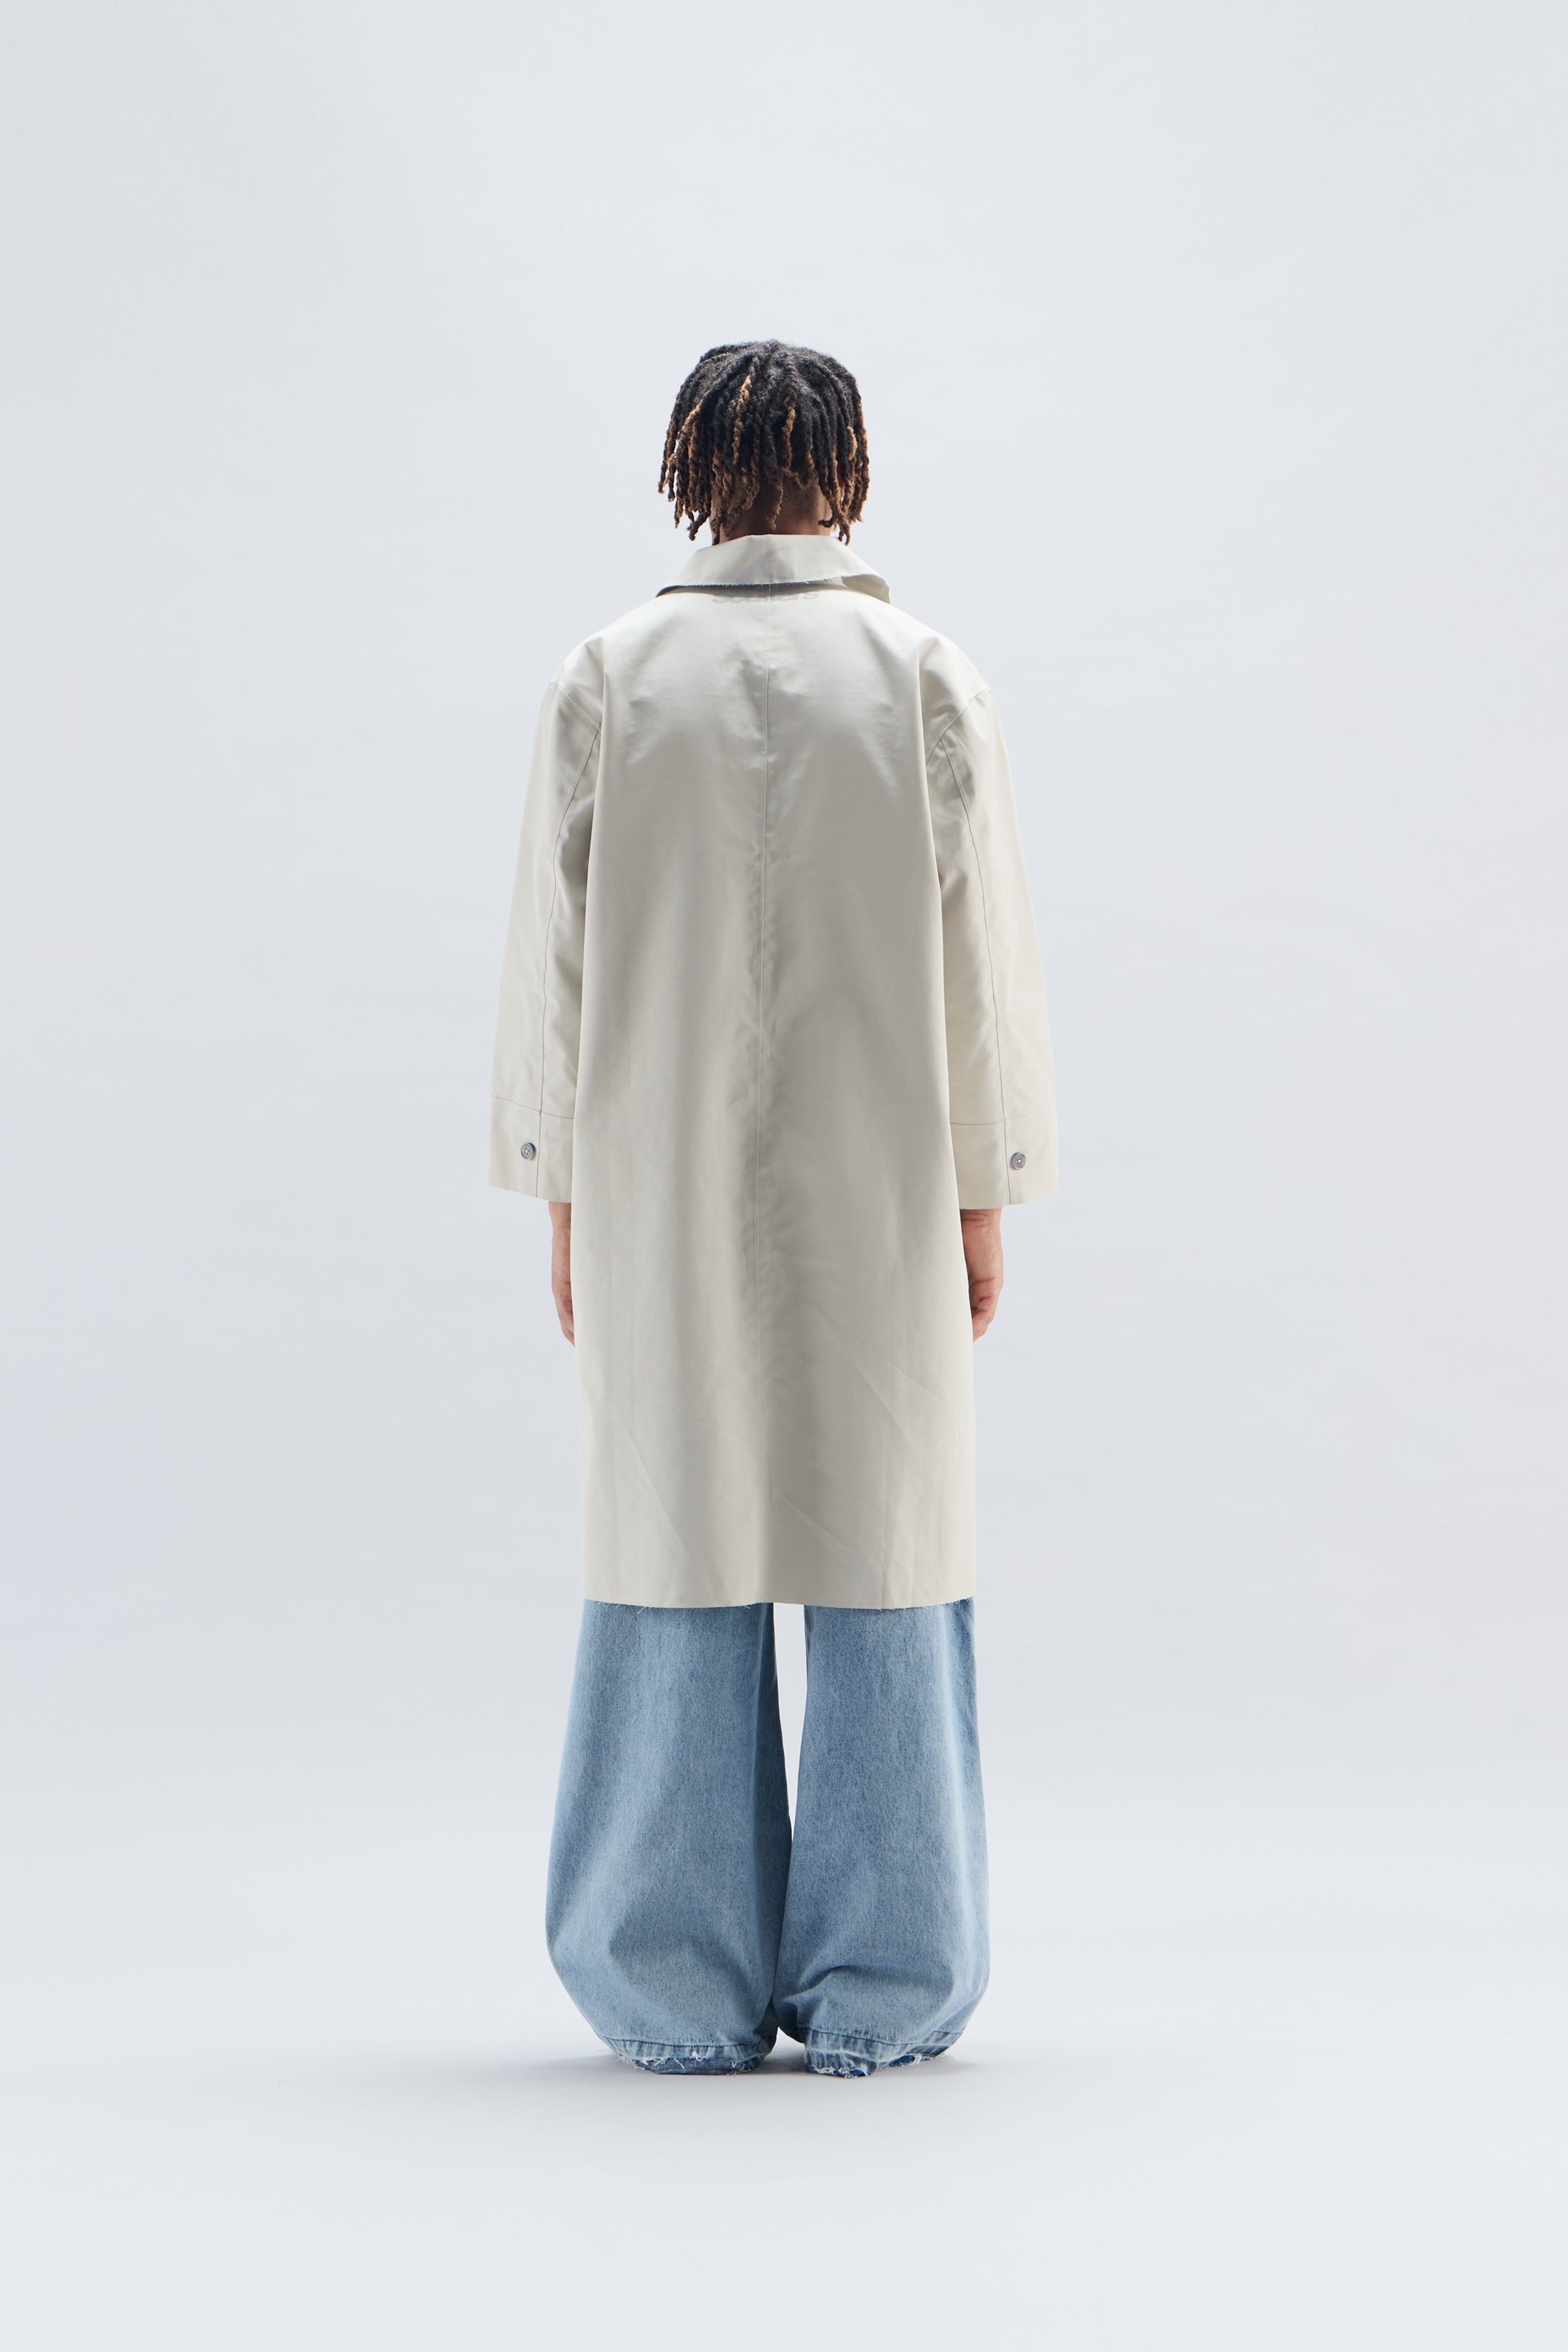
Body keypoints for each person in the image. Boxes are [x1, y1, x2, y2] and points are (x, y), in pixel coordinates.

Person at [490, 340, 1056, 2076]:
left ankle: (668, 1983)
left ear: (693, 472)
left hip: (657, 1173)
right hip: (882, 1175)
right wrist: (987, 1188)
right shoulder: (921, 675)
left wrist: (562, 1189)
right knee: (889, 1546)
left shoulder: (610, 676)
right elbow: (981, 965)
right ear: (846, 469)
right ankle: (892, 1977)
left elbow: (551, 971)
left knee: (674, 1535)